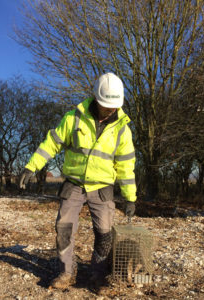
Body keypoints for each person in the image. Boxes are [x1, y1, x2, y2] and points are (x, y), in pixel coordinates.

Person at [19, 72, 136, 289]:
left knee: (105, 233)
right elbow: (51, 144)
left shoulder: (122, 129)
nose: (110, 109)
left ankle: (98, 275)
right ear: (96, 98)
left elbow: (126, 166)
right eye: (105, 104)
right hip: (73, 183)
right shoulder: (73, 118)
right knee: (63, 228)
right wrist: (31, 166)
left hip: (102, 187)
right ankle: (66, 273)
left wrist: (130, 198)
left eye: (114, 105)